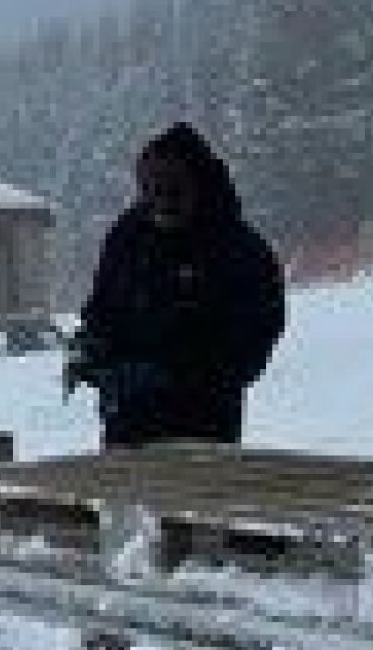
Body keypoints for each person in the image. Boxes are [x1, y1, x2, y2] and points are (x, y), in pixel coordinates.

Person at [67, 122, 285, 447]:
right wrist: (92, 349)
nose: (162, 201)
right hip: (126, 428)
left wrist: (172, 375)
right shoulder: (128, 238)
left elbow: (250, 342)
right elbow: (102, 307)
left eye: (173, 190)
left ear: (200, 184)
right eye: (151, 189)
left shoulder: (237, 249)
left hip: (203, 430)